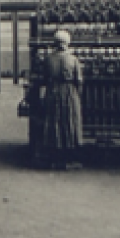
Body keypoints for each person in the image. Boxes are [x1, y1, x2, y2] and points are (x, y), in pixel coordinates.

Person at [38, 29, 83, 169]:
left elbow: (44, 79)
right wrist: (77, 95)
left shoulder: (48, 59)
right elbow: (79, 80)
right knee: (69, 122)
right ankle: (69, 159)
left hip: (53, 91)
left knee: (54, 122)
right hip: (69, 92)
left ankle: (54, 158)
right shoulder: (73, 59)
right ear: (68, 43)